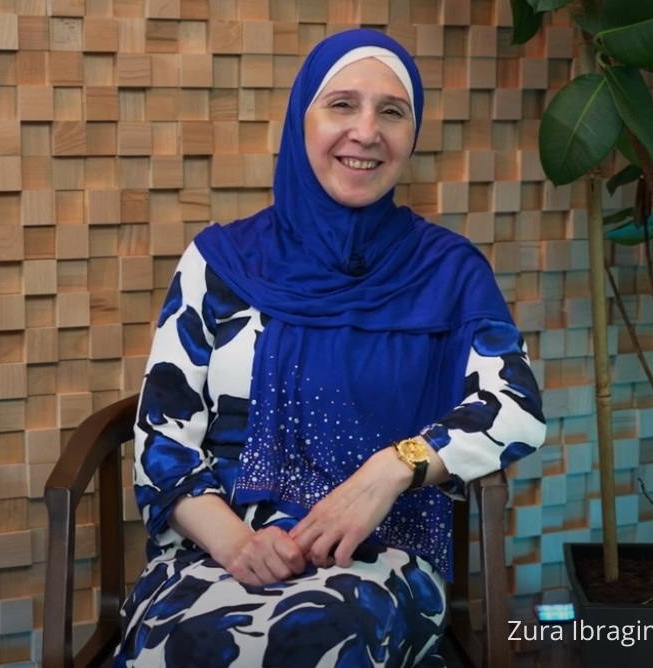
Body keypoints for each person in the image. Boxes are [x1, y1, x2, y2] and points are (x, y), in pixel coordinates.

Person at [115, 27, 546, 668]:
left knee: (312, 638)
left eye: (391, 112)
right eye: (342, 104)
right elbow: (163, 439)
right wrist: (238, 545)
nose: (366, 132)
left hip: (382, 555)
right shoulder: (220, 262)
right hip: (214, 552)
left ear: (412, 135)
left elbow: (516, 407)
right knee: (193, 644)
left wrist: (391, 469)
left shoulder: (448, 273)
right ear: (302, 121)